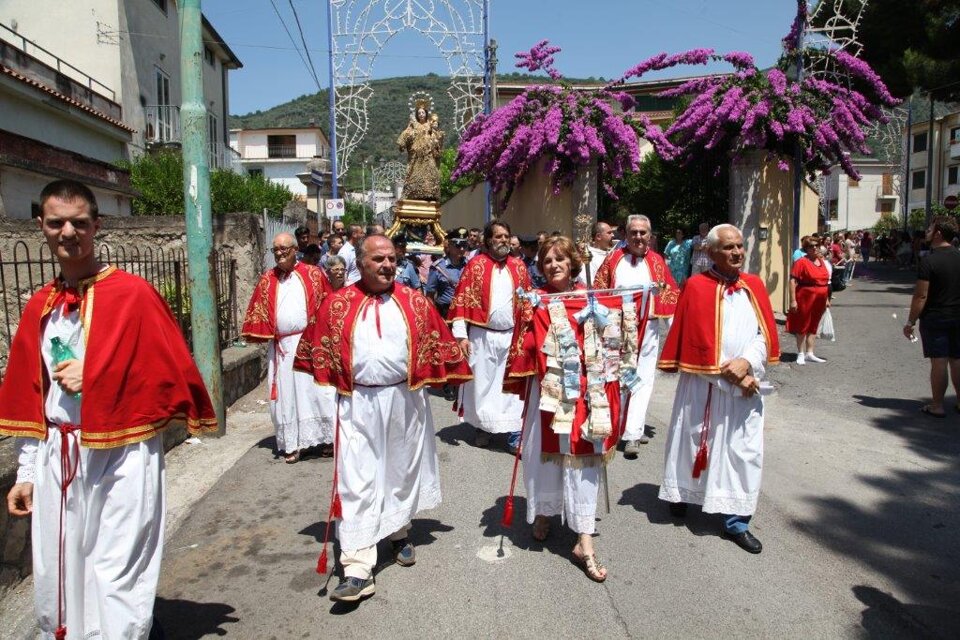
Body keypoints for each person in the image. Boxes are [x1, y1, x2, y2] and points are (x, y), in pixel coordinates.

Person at [2, 180, 217, 639]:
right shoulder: (42, 306)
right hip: (58, 452)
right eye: (56, 222)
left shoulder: (134, 295)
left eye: (79, 222)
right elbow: (30, 394)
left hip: (123, 451)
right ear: (40, 225)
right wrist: (24, 471)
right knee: (61, 568)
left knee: (117, 566)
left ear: (96, 226)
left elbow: (167, 373)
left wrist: (94, 374)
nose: (68, 232)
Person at [307, 234, 471, 603]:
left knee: (400, 470)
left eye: (391, 259)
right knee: (357, 478)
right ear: (360, 263)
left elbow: (437, 343)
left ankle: (398, 531)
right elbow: (318, 350)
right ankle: (357, 568)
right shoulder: (337, 304)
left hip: (405, 399)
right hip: (357, 401)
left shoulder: (415, 301)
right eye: (377, 259)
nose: (386, 265)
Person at [504, 236, 623, 582]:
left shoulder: (593, 298)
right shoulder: (535, 300)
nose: (553, 265)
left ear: (573, 262)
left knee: (583, 460)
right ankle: (544, 510)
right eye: (546, 261)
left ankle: (584, 540)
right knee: (547, 458)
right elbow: (524, 346)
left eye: (560, 259)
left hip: (587, 391)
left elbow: (612, 338)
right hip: (549, 390)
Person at [657, 223, 780, 554]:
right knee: (694, 440)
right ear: (710, 252)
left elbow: (762, 333)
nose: (737, 252)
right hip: (704, 384)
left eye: (740, 246)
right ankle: (682, 493)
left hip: (745, 383)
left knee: (744, 451)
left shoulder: (753, 285)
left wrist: (748, 364)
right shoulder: (696, 287)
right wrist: (734, 374)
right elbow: (695, 344)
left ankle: (736, 521)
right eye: (729, 247)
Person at [242, 232, 334, 463]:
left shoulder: (313, 274)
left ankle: (325, 440)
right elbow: (258, 309)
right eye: (275, 250)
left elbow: (327, 305)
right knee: (287, 396)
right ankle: (292, 443)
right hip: (282, 347)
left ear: (295, 249)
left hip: (309, 341)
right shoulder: (267, 279)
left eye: (284, 248)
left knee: (317, 393)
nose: (280, 253)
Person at [594, 214, 679, 458]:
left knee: (642, 380)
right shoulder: (613, 259)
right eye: (634, 233)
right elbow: (599, 293)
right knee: (615, 378)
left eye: (643, 233)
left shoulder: (657, 262)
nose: (638, 237)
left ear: (650, 236)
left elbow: (670, 297)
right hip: (615, 331)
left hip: (648, 332)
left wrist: (676, 334)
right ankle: (613, 427)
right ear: (626, 235)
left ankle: (632, 433)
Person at [449, 221, 532, 453]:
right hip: (481, 336)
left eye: (506, 236)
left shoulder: (519, 267)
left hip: (511, 336)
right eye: (498, 237)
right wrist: (460, 335)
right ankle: (483, 427)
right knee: (482, 384)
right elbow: (461, 301)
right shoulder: (475, 265)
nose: (504, 240)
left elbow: (529, 301)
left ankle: (514, 433)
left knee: (510, 385)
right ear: (488, 241)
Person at [903, 217, 960, 417]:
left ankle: (937, 405)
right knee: (957, 359)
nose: (926, 231)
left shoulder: (929, 261)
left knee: (939, 361)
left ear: (938, 234)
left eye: (930, 228)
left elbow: (921, 295)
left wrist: (911, 321)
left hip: (936, 316)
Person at [426, 229, 470, 402]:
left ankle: (464, 383)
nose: (461, 249)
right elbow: (430, 295)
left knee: (467, 348)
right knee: (448, 350)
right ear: (449, 246)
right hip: (446, 312)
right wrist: (436, 318)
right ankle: (448, 384)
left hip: (467, 312)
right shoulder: (438, 268)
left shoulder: (471, 265)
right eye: (458, 245)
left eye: (464, 245)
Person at [787, 235, 830, 365]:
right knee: (802, 324)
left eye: (817, 245)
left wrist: (827, 298)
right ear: (806, 248)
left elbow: (825, 281)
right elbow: (793, 280)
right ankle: (800, 353)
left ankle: (810, 353)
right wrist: (793, 300)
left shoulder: (821, 261)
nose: (815, 248)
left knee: (814, 324)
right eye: (811, 246)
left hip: (820, 298)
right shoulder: (801, 262)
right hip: (806, 297)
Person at [397, 99, 444, 201]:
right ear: (416, 115)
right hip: (416, 157)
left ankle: (430, 194)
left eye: (423, 112)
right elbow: (406, 135)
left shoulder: (430, 125)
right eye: (419, 113)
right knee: (413, 175)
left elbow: (437, 138)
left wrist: (436, 135)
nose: (421, 115)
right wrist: (404, 140)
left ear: (426, 113)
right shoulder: (413, 125)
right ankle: (412, 193)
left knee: (431, 174)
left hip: (428, 155)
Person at [576, 220, 615, 284]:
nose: (613, 235)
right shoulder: (588, 256)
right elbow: (585, 281)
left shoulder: (612, 253)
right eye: (609, 233)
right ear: (598, 236)